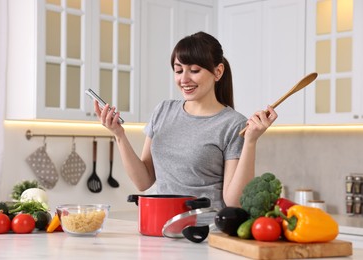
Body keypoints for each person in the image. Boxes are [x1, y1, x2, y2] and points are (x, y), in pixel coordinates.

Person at [94, 31, 277, 209]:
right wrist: (119, 135)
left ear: (218, 72)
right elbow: (143, 181)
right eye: (178, 70)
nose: (184, 79)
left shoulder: (233, 124)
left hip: (205, 231)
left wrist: (250, 141)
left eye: (194, 70)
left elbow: (234, 202)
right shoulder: (163, 111)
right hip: (161, 226)